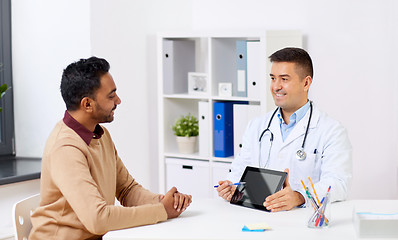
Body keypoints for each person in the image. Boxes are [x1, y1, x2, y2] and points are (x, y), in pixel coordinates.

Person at [29, 57, 192, 240]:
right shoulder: (65, 148)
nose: (118, 101)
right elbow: (97, 219)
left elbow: (127, 190)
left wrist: (163, 202)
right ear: (87, 104)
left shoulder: (100, 135)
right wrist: (161, 211)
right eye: (111, 96)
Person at [216, 47, 352, 212]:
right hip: (258, 218)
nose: (276, 86)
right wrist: (231, 187)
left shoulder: (331, 130)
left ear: (306, 83)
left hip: (302, 221)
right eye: (273, 78)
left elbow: (338, 183)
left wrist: (300, 196)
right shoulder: (257, 126)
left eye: (284, 79)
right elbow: (239, 171)